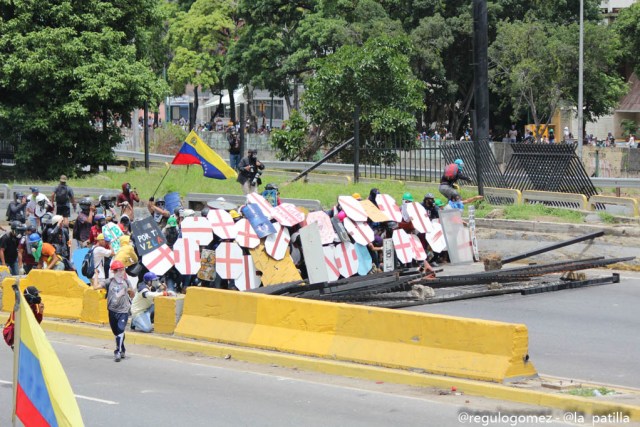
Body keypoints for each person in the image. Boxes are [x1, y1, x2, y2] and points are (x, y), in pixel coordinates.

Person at [92, 260, 136, 362]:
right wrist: (96, 275)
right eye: (117, 270)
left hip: (123, 311)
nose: (120, 272)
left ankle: (117, 351)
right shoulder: (109, 281)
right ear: (113, 271)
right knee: (116, 332)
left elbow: (132, 295)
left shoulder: (127, 282)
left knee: (121, 329)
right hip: (112, 311)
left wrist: (131, 292)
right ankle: (122, 348)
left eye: (121, 270)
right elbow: (95, 287)